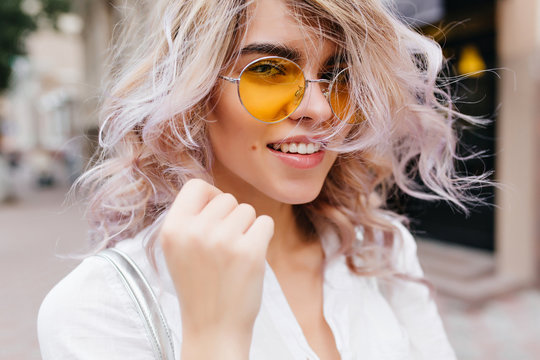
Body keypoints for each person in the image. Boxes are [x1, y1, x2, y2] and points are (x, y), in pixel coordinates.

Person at [38, 0, 484, 358]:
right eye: (270, 71)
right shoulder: (100, 307)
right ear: (195, 93)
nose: (322, 110)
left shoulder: (380, 249)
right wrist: (214, 338)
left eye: (337, 77)